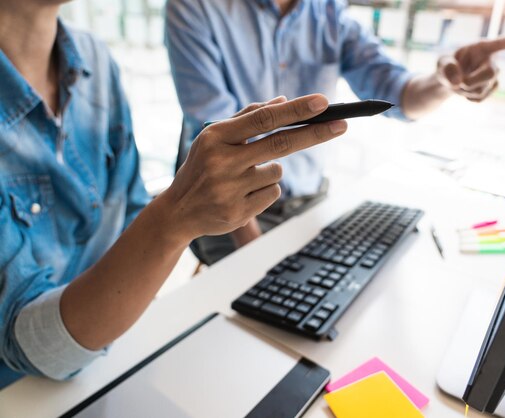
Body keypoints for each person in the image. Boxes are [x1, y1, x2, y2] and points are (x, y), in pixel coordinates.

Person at [0, 0, 347, 386]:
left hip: (115, 354)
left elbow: (129, 212)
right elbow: (33, 345)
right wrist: (175, 218)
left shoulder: (93, 59)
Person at [165, 0, 505, 264]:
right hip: (228, 215)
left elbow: (399, 93)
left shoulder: (327, 11)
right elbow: (219, 155)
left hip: (308, 199)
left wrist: (444, 81)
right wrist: (260, 266)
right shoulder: (194, 7)